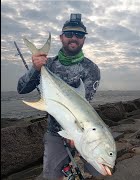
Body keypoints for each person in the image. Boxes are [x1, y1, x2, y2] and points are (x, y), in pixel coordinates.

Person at [17, 14, 103, 180]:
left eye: (79, 35)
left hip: (84, 131)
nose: (73, 38)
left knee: (100, 169)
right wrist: (35, 69)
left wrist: (76, 135)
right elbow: (22, 89)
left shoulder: (91, 69)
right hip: (55, 132)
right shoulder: (47, 64)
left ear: (84, 39)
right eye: (69, 34)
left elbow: (83, 106)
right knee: (51, 176)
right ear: (61, 37)